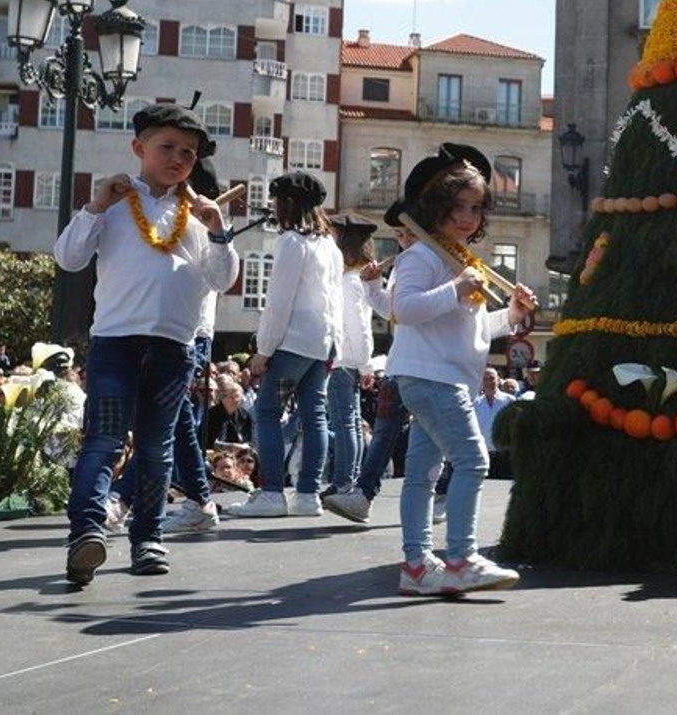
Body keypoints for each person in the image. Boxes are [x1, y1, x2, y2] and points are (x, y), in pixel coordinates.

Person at [53, 104, 239, 585]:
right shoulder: (115, 203)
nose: (178, 159)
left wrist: (217, 230)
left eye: (189, 153)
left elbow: (221, 280)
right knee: (104, 440)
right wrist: (95, 206)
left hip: (173, 349)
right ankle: (88, 531)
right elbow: (69, 258)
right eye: (167, 148)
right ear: (139, 149)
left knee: (157, 449)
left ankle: (147, 538)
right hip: (116, 343)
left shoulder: (196, 216)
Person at [384, 143, 535, 595]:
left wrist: (509, 313)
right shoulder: (423, 257)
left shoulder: (457, 261)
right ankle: (462, 559)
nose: (467, 217)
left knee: (422, 474)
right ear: (435, 208)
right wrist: (455, 287)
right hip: (433, 377)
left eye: (474, 208)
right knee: (473, 460)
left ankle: (416, 566)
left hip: (437, 374)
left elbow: (469, 328)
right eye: (457, 207)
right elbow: (403, 308)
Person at [105, 157, 232, 538]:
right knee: (174, 426)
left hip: (186, 334)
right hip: (175, 333)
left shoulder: (203, 222)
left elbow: (217, 279)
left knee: (163, 426)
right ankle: (199, 500)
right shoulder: (177, 218)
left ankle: (124, 499)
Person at [229, 171, 342, 519]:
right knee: (315, 417)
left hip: (292, 342)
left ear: (288, 203)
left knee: (266, 413)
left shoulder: (292, 242)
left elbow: (279, 301)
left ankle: (272, 492)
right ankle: (308, 494)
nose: (275, 209)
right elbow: (334, 299)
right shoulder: (330, 245)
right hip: (321, 344)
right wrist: (335, 346)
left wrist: (263, 350)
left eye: (278, 202)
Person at [325, 212, 385, 498]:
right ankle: (347, 479)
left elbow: (357, 326)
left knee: (345, 422)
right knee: (350, 421)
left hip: (345, 359)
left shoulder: (350, 280)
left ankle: (343, 481)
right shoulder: (355, 278)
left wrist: (364, 365)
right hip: (352, 359)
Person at [474, 368, 515, 478]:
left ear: (498, 380)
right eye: (485, 379)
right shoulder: (475, 404)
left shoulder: (510, 401)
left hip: (505, 457)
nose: (488, 382)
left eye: (492, 378)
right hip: (483, 456)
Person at [204, 376, 253, 448]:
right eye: (231, 397)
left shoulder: (244, 415)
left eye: (237, 397)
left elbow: (249, 440)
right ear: (223, 398)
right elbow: (209, 442)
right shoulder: (211, 414)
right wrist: (232, 447)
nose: (235, 400)